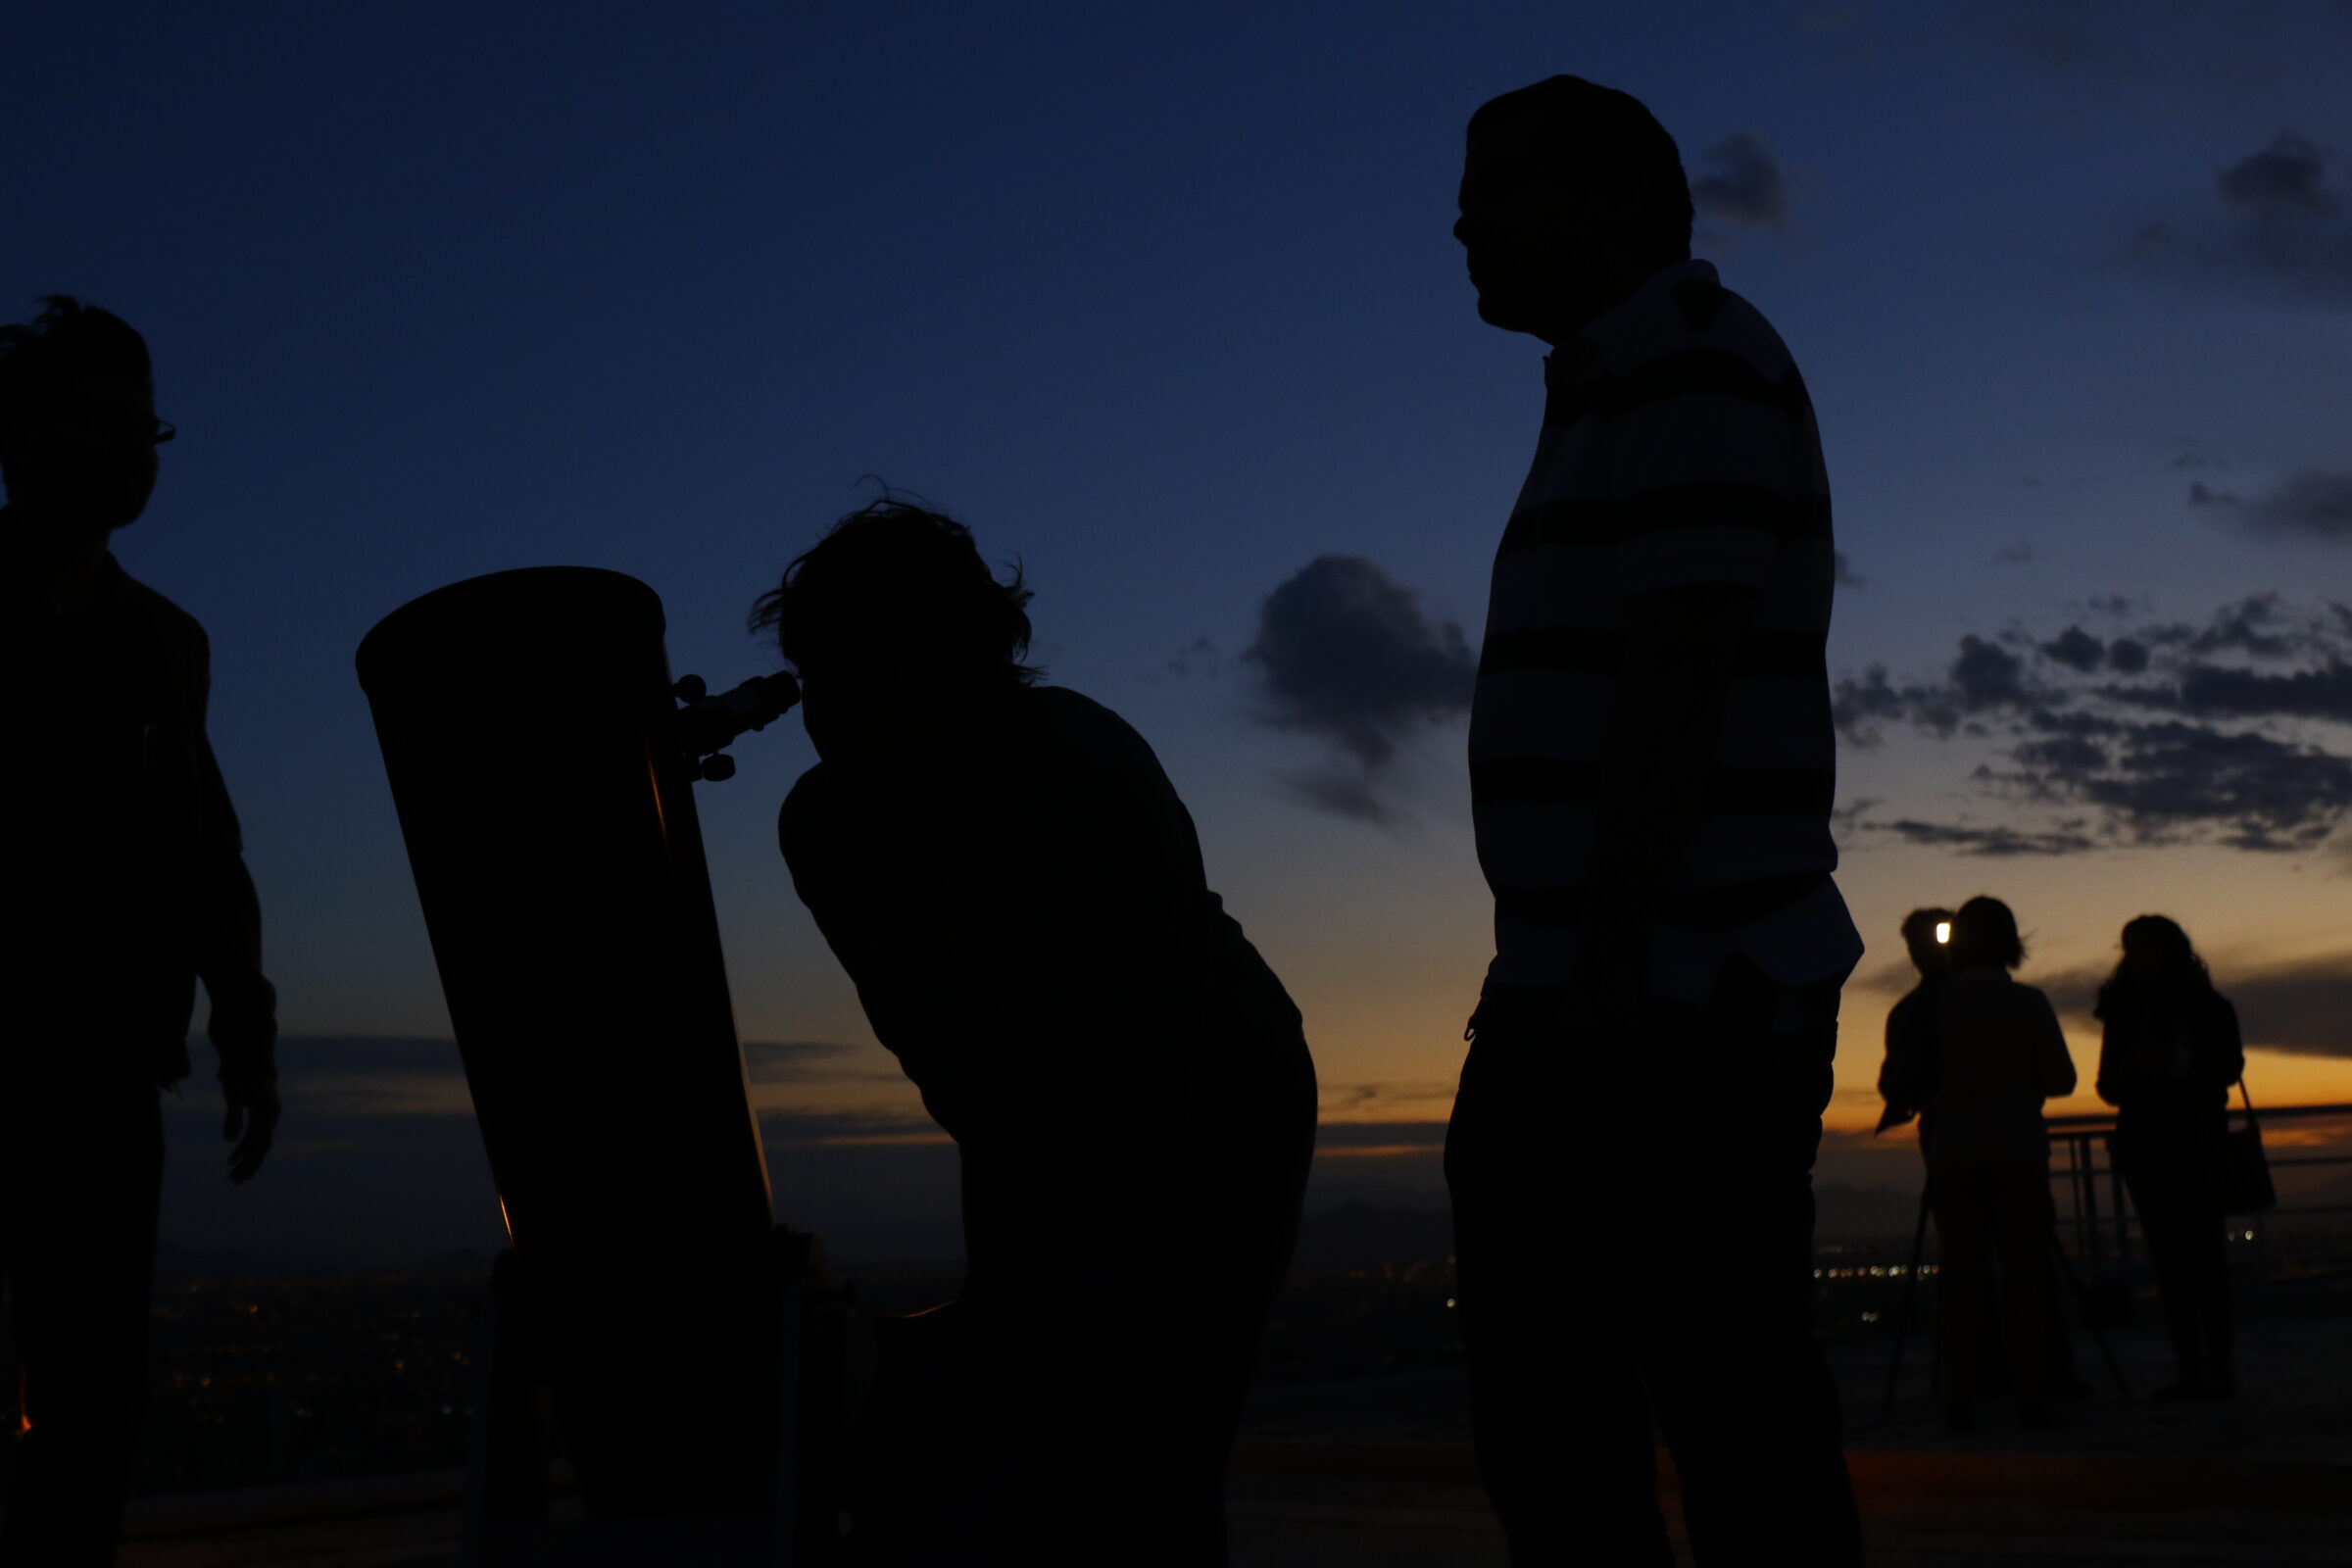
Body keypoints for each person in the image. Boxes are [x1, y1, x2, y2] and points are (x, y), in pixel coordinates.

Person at [1442, 76, 1863, 1563]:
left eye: (1498, 189)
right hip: (1608, 979)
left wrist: (1608, 969)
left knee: (1697, 1408)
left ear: (1614, 201)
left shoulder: (1691, 367)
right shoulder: (1620, 382)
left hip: (1665, 992)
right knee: (1593, 1411)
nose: (1464, 224)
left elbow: (1679, 679)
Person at [764, 499, 1316, 1565]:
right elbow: (971, 1074)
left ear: (939, 658)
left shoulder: (1074, 769)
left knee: (1148, 1454)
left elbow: (1093, 1068)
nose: (817, 708)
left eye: (846, 667)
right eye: (813, 675)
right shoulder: (835, 819)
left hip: (1210, 1100)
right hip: (1077, 1117)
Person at [0, 297, 279, 1561]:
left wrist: (247, 1021)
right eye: (105, 424)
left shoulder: (167, 642)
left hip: (104, 1066)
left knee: (91, 1381)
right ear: (23, 436)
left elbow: (203, 844)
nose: (135, 455)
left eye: (145, 428)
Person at [1918, 896, 2075, 1431]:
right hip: (2018, 1153)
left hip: (1954, 1155)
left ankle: (1958, 1399)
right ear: (2012, 943)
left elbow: (1902, 1082)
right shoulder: (2030, 1005)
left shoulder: (1935, 1007)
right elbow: (2062, 1080)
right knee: (2026, 1279)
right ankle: (2030, 1396)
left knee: (1961, 1279)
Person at [2095, 914, 2242, 1398]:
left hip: (2185, 1144)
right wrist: (2136, 1067)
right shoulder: (2127, 1011)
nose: (2137, 958)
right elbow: (2106, 1086)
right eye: (2132, 949)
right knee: (2176, 1260)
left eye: (2144, 948)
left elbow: (2226, 1068)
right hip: (2159, 1145)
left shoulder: (2204, 1008)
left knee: (2198, 1258)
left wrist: (2168, 1065)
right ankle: (2197, 1367)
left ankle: (2210, 1366)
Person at [1879, 906, 1956, 1133]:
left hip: (1944, 1132)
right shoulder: (1906, 1012)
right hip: (1947, 1130)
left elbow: (1892, 1083)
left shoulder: (1906, 1011)